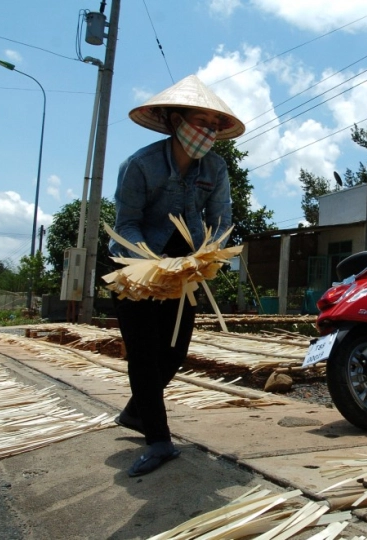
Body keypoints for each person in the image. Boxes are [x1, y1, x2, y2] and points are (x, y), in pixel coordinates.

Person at [109, 74, 245, 477]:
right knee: (145, 355)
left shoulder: (215, 168)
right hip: (135, 269)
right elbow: (127, 223)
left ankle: (138, 411)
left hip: (184, 270)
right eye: (200, 121)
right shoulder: (140, 166)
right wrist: (151, 261)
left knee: (174, 353)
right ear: (175, 121)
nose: (208, 131)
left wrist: (208, 253)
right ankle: (159, 441)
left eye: (213, 124)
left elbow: (221, 218)